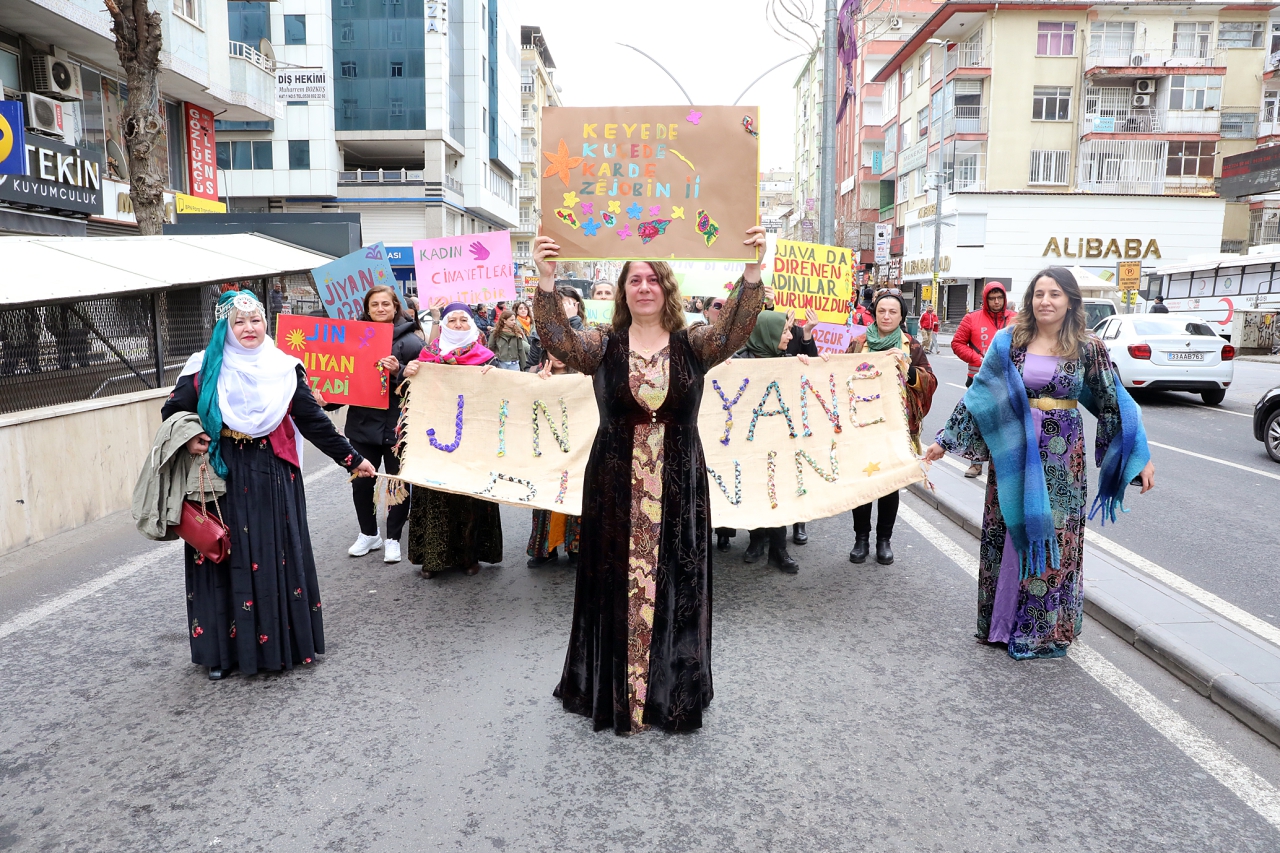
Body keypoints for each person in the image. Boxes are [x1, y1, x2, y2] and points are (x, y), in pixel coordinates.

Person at [531, 225, 766, 734]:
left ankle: (670, 691)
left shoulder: (693, 343)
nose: (643, 287)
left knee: (677, 583)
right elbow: (558, 339)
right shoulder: (602, 345)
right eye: (634, 279)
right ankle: (614, 690)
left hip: (680, 483)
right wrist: (547, 280)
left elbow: (733, 333)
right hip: (614, 484)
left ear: (667, 289)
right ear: (622, 291)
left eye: (653, 279)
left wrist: (751, 271)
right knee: (614, 582)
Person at [924, 267, 1154, 660]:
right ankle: (1001, 626)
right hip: (1014, 455)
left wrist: (1139, 458)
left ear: (1070, 301)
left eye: (1055, 294)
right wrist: (944, 442)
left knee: (1055, 541)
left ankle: (1043, 630)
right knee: (1010, 533)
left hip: (1064, 461)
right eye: (1039, 294)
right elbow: (980, 396)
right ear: (1030, 300)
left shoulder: (1087, 347)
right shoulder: (1009, 341)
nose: (1045, 301)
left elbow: (1114, 401)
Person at [161, 291, 377, 680]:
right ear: (225, 328)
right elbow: (173, 412)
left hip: (273, 475)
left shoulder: (284, 367)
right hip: (221, 477)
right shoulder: (202, 368)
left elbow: (313, 421)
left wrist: (352, 458)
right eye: (239, 322)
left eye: (256, 320)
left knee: (274, 555)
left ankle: (284, 646)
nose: (249, 329)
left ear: (266, 323)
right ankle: (223, 654)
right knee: (222, 555)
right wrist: (193, 436)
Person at [403, 304, 504, 578]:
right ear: (444, 324)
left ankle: (469, 557)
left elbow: (500, 398)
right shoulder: (426, 356)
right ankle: (432, 559)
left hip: (472, 438)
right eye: (452, 320)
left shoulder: (486, 359)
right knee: (435, 495)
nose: (458, 324)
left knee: (467, 498)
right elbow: (410, 394)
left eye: (463, 320)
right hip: (434, 437)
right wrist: (410, 371)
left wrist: (494, 380)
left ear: (471, 324)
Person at [326, 285, 424, 563]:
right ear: (367, 309)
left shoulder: (414, 344)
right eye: (374, 305)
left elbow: (425, 387)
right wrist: (325, 402)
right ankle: (369, 534)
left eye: (386, 304)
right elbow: (345, 383)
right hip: (362, 427)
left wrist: (399, 372)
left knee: (397, 485)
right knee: (361, 483)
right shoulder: (354, 340)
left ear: (396, 307)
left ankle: (393, 538)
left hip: (398, 429)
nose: (380, 309)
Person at [846, 290, 937, 566]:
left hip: (897, 426)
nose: (886, 316)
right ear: (874, 313)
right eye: (882, 311)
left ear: (901, 317)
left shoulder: (912, 346)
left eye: (892, 312)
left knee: (889, 486)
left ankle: (884, 540)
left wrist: (909, 371)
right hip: (862, 425)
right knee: (863, 483)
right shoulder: (858, 343)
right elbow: (838, 376)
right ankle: (861, 539)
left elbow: (929, 381)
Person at [737, 309, 820, 569]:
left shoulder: (787, 360)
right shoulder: (737, 362)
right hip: (749, 441)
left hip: (780, 440)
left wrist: (819, 362)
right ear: (769, 334)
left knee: (778, 492)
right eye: (785, 331)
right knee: (755, 490)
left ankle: (779, 549)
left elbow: (812, 380)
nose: (788, 336)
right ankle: (756, 539)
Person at [951, 281, 1017, 478]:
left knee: (1006, 424)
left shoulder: (1016, 319)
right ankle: (976, 462)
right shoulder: (971, 319)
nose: (996, 302)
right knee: (978, 422)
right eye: (992, 298)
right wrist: (978, 359)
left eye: (999, 298)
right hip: (979, 379)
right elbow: (957, 343)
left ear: (1004, 299)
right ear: (985, 300)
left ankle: (1005, 464)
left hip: (1008, 380)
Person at [526, 351, 582, 567]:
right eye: (553, 351)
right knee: (547, 495)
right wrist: (538, 384)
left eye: (564, 350)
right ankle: (544, 548)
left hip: (577, 446)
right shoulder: (536, 376)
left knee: (575, 493)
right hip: (547, 448)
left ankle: (575, 547)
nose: (559, 356)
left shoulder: (586, 377)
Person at [528, 286, 584, 366]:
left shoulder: (588, 332)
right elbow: (529, 368)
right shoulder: (539, 336)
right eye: (562, 306)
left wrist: (573, 320)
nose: (567, 309)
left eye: (571, 305)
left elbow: (584, 357)